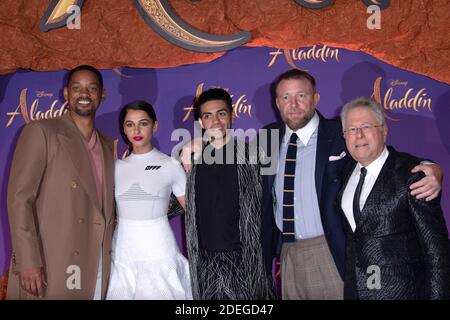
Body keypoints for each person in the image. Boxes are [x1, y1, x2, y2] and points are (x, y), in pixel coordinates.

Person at [260, 69, 443, 299]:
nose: (293, 104)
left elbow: (381, 157)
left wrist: (431, 168)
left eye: (301, 95)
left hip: (330, 251)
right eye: (286, 97)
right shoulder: (268, 137)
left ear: (316, 98)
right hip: (287, 255)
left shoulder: (340, 131)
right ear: (277, 103)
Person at [7, 65, 115, 299]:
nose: (84, 94)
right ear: (66, 94)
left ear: (102, 94)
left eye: (92, 88)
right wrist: (27, 260)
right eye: (76, 88)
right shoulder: (42, 132)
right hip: (52, 260)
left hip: (96, 263)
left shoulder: (107, 145)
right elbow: (19, 199)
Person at [337, 97, 450, 299]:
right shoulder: (345, 173)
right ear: (344, 136)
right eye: (352, 129)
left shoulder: (412, 175)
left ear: (384, 130)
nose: (359, 135)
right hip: (357, 291)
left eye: (366, 126)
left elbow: (437, 251)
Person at [184, 88, 275, 300]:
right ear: (200, 123)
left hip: (246, 263)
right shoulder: (190, 161)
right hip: (206, 265)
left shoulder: (254, 155)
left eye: (221, 113)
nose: (216, 121)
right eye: (208, 116)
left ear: (232, 115)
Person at [106, 100, 192, 300]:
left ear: (155, 125)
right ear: (124, 129)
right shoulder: (115, 168)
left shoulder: (170, 165)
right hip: (122, 249)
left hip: (159, 248)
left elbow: (193, 211)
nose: (136, 129)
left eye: (143, 123)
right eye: (130, 124)